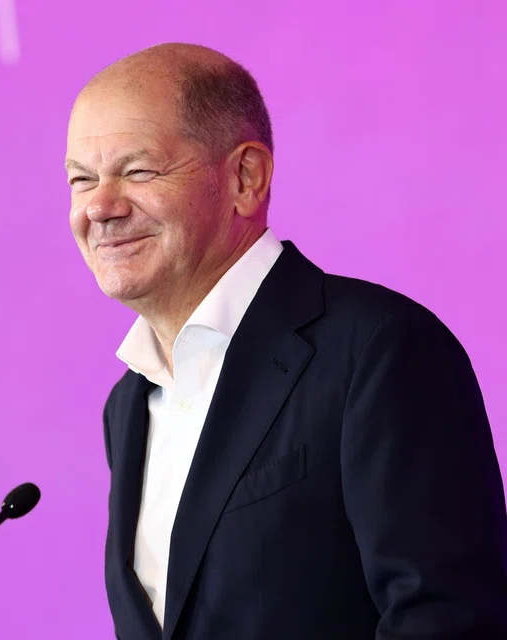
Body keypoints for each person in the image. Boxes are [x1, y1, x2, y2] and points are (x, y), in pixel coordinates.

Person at [65, 43, 507, 640]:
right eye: (81, 179)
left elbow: (445, 617)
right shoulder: (127, 406)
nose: (99, 206)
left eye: (138, 170)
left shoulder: (377, 349)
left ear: (245, 177)